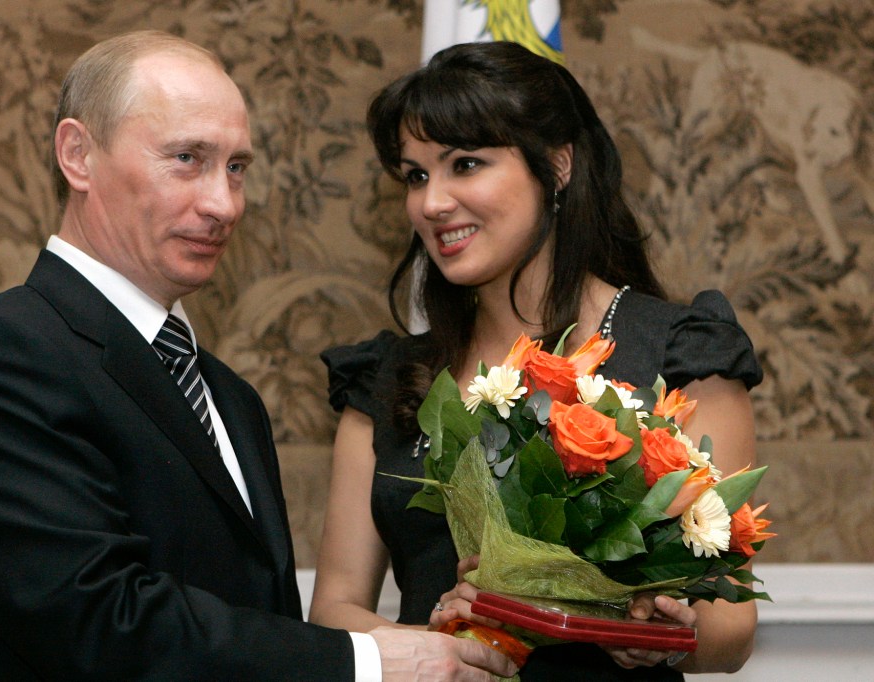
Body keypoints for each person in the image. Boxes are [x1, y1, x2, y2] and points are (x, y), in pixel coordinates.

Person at [0, 30, 518, 681]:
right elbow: (97, 622)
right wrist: (366, 659)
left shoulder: (228, 396)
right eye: (187, 159)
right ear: (78, 155)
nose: (223, 204)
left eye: (236, 168)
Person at [309, 41, 764, 680]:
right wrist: (443, 640)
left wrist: (648, 632)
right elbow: (334, 609)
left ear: (557, 167)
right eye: (415, 175)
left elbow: (732, 629)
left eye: (464, 164)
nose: (432, 202)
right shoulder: (386, 379)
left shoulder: (682, 355)